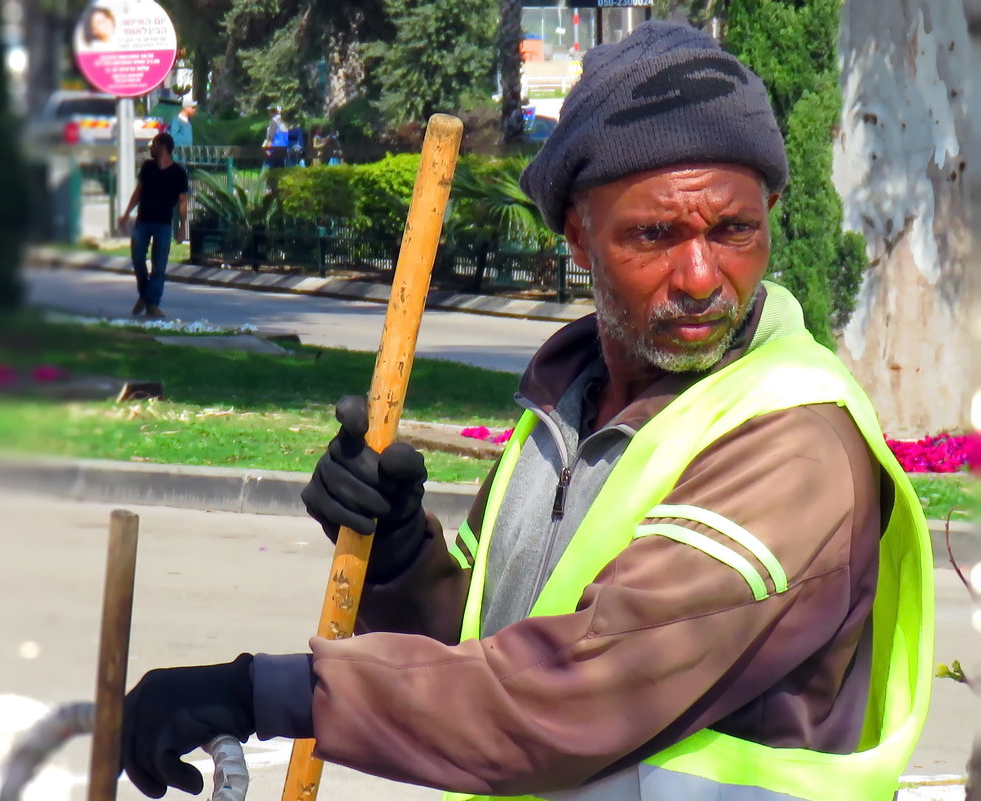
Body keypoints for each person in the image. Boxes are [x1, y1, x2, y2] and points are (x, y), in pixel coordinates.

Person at [119, 21, 934, 801]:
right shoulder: (566, 410)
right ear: (578, 240)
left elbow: (574, 692)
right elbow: (482, 652)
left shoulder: (794, 442)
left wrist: (265, 692)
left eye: (734, 230)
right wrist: (400, 556)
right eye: (654, 235)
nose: (699, 274)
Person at [119, 132, 188, 318]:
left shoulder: (178, 173)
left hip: (163, 224)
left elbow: (183, 202)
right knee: (137, 259)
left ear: (162, 147)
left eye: (153, 144)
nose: (150, 147)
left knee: (159, 267)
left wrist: (182, 227)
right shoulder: (148, 167)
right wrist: (126, 214)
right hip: (143, 222)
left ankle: (152, 303)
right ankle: (145, 294)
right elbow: (138, 193)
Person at [262, 105, 289, 169]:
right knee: (280, 172)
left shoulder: (274, 121)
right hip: (283, 150)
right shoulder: (284, 121)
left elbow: (270, 137)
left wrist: (267, 149)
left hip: (273, 150)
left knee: (267, 172)